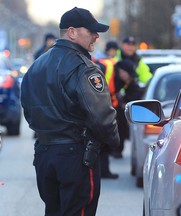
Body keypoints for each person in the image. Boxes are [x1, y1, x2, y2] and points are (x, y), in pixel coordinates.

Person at [20, 7, 119, 216]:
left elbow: (28, 112)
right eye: (91, 31)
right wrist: (113, 142)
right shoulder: (85, 68)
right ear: (72, 32)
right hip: (76, 155)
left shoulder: (36, 66)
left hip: (45, 153)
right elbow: (102, 117)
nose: (96, 36)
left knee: (54, 211)